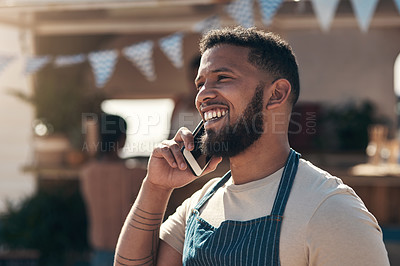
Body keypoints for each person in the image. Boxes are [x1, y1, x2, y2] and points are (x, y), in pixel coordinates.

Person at [114, 27, 389, 266]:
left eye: (222, 78)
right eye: (201, 84)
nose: (203, 95)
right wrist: (156, 187)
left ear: (276, 94)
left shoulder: (332, 210)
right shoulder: (199, 203)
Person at [80, 113, 146, 266]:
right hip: (129, 253)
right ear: (122, 139)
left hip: (98, 253)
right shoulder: (136, 174)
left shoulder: (87, 172)